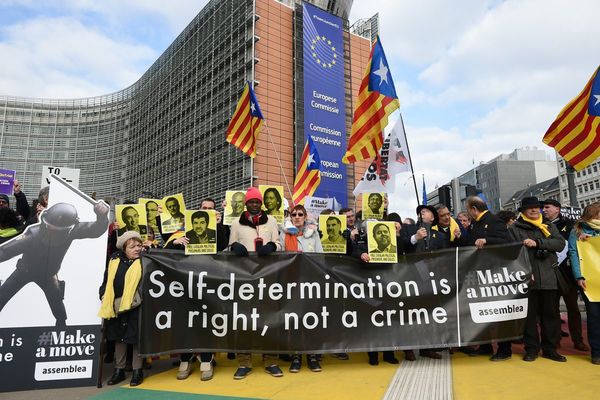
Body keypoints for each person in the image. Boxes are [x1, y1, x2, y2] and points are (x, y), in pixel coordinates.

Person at [0, 202, 109, 326]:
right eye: (48, 226)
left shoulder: (72, 231)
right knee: (2, 295)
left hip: (48, 275)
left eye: (54, 229)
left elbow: (96, 230)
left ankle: (61, 327)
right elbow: (5, 251)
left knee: (57, 306)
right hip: (24, 271)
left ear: (68, 228)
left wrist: (102, 217)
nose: (50, 230)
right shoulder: (33, 235)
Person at [228, 187, 282, 379]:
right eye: (251, 201)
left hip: (267, 277)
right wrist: (235, 246)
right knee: (244, 320)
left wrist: (271, 246)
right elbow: (229, 245)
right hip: (245, 278)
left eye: (257, 202)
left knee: (269, 319)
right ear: (246, 203)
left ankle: (271, 361)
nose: (254, 204)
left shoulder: (272, 221)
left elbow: (279, 243)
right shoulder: (236, 223)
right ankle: (244, 362)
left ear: (261, 204)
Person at [509, 196, 567, 363]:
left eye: (537, 207)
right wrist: (524, 270)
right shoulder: (515, 228)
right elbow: (512, 252)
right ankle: (532, 349)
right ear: (523, 211)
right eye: (530, 208)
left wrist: (538, 243)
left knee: (551, 316)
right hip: (528, 278)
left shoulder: (548, 225)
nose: (534, 210)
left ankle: (550, 349)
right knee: (529, 317)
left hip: (549, 276)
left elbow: (560, 244)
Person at [464, 196, 513, 360]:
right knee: (482, 312)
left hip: (495, 273)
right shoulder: (475, 224)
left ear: (473, 209)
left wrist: (487, 240)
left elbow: (507, 241)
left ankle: (504, 349)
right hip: (479, 274)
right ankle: (485, 346)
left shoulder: (494, 220)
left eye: (468, 210)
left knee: (499, 313)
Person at [280, 204, 323, 372]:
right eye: (294, 214)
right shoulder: (283, 233)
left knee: (310, 320)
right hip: (290, 282)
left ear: (305, 217)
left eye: (300, 214)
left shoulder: (313, 234)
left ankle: (312, 356)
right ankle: (296, 356)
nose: (297, 217)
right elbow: (280, 257)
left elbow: (320, 256)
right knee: (294, 320)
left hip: (309, 282)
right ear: (290, 217)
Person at [99, 231, 145, 386]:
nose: (137, 249)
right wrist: (103, 295)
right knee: (120, 338)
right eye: (132, 246)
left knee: (136, 337)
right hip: (117, 305)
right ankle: (119, 370)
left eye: (139, 245)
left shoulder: (145, 261)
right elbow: (106, 281)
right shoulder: (114, 261)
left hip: (138, 305)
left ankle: (137, 371)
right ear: (124, 248)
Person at [542, 198, 587, 351]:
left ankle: (578, 340)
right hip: (549, 273)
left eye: (547, 207)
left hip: (567, 273)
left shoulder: (570, 225)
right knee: (552, 310)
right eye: (543, 208)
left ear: (557, 209)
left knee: (573, 308)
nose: (544, 210)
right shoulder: (540, 225)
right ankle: (554, 340)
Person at [568, 201, 600, 365]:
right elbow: (573, 254)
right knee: (594, 317)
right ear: (592, 215)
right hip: (590, 282)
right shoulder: (577, 231)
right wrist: (578, 276)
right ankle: (597, 353)